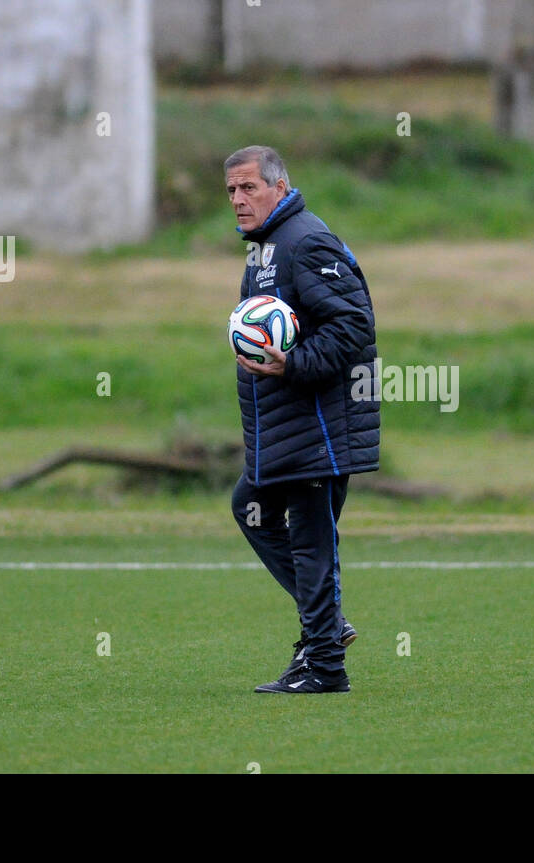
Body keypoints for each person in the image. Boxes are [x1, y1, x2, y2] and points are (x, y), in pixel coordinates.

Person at [224, 145, 380, 694]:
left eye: (249, 188)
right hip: (285, 427)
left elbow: (353, 324)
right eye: (231, 191)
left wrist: (294, 364)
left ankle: (325, 666)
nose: (239, 200)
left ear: (280, 185)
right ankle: (327, 630)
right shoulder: (266, 248)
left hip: (317, 426)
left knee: (313, 541)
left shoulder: (305, 241)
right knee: (252, 508)